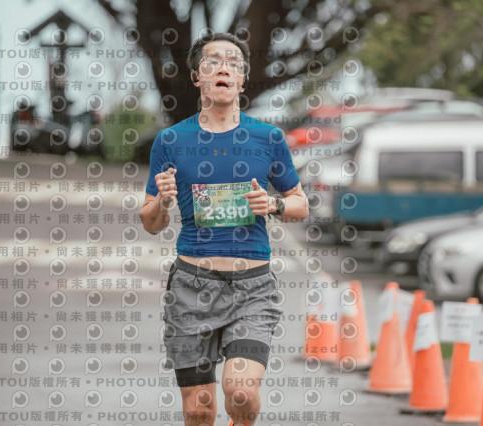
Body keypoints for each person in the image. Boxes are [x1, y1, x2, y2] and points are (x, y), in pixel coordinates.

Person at [139, 32, 308, 426]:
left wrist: (274, 204)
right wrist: (162, 200)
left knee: (241, 391)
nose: (223, 68)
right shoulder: (171, 140)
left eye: (233, 63)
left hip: (252, 288)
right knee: (198, 411)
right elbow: (150, 223)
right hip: (190, 287)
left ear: (242, 80)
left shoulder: (267, 138)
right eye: (212, 61)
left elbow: (300, 204)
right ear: (197, 77)